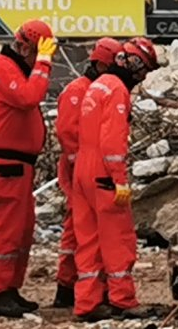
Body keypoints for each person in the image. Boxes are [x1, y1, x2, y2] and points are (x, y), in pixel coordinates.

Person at [71, 37, 161, 322]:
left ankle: (87, 303)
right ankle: (123, 300)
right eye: (143, 71)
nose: (143, 77)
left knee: (89, 240)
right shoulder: (117, 91)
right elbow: (112, 141)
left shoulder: (96, 86)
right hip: (103, 173)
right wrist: (120, 179)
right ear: (135, 66)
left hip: (83, 170)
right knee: (118, 239)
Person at [0, 20, 56, 318]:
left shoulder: (13, 67)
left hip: (17, 162)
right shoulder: (2, 68)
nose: (43, 58)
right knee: (7, 228)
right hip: (6, 161)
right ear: (25, 47)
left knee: (20, 228)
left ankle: (8, 288)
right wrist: (44, 64)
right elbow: (28, 97)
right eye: (40, 52)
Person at [52, 37, 124, 309]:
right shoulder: (78, 90)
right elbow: (68, 133)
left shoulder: (94, 89)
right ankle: (67, 284)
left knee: (84, 226)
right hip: (80, 168)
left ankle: (78, 285)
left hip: (84, 166)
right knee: (77, 226)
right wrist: (78, 166)